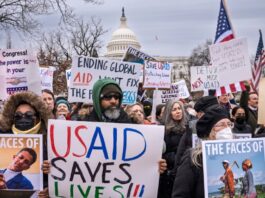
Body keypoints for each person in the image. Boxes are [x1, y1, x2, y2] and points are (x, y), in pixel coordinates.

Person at [172, 106, 233, 198]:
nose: (227, 129)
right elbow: (180, 194)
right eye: (221, 125)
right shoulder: (194, 158)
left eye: (229, 124)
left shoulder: (233, 155)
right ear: (210, 132)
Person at [158, 100, 188, 198]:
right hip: (170, 173)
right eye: (174, 109)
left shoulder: (188, 128)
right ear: (168, 112)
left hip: (185, 169)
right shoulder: (163, 130)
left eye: (179, 108)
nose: (178, 111)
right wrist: (174, 158)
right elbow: (160, 152)